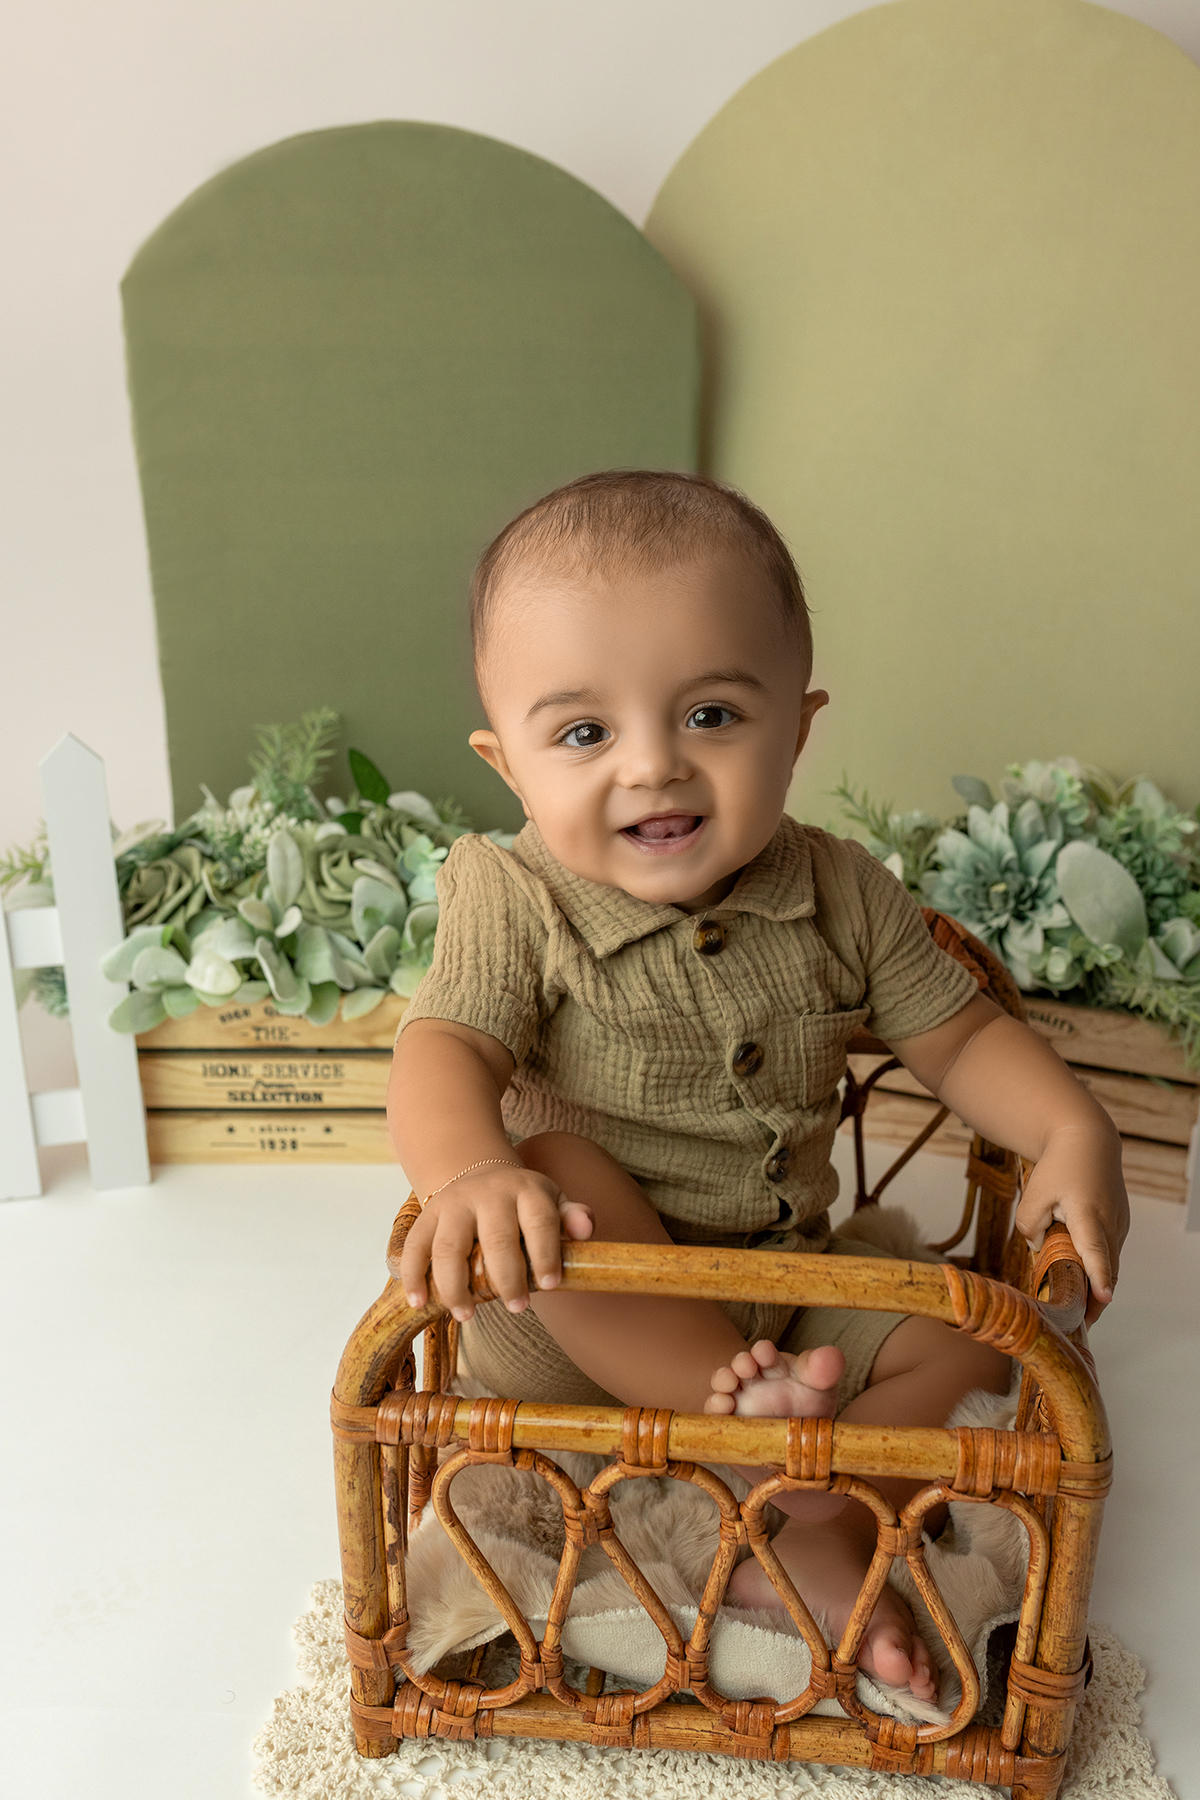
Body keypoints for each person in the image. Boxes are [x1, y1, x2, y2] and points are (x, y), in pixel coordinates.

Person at [388, 470, 1128, 1703]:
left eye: (714, 716)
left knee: (980, 1327)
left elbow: (955, 1037)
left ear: (799, 722)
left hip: (787, 1300)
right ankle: (758, 1457)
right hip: (581, 1313)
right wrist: (470, 1173)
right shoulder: (510, 898)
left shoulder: (840, 890)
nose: (655, 769)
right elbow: (443, 1050)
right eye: (583, 733)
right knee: (559, 1174)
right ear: (506, 761)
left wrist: (1070, 1125)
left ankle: (820, 1520)